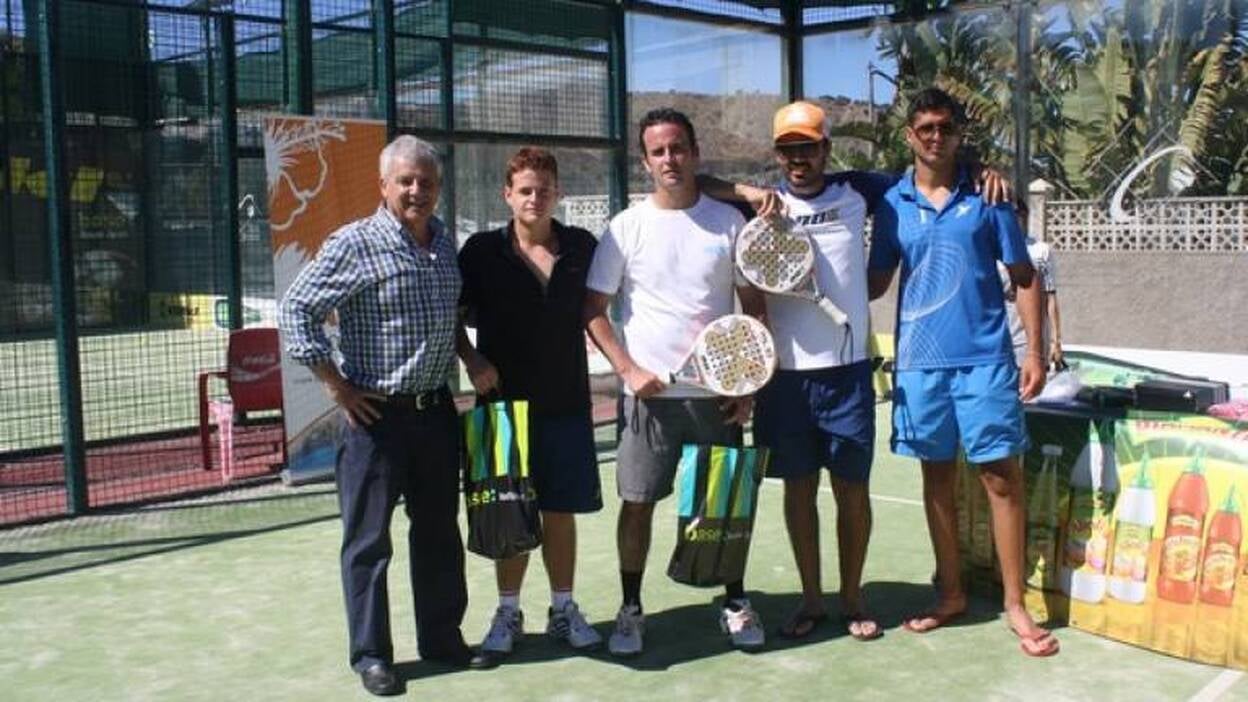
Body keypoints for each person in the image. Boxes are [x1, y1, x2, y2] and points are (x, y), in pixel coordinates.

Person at [699, 101, 1012, 642]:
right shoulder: (759, 205)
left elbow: (933, 164)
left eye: (809, 146)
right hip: (784, 378)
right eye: (789, 149)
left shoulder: (861, 191)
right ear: (778, 154)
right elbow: (699, 183)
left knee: (851, 492)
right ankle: (812, 600)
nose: (799, 158)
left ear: (826, 149)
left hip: (847, 375)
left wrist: (982, 170)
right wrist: (749, 193)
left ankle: (851, 598)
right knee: (799, 492)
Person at [279, 135, 481, 697]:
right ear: (384, 185)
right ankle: (372, 656)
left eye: (427, 182)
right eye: (407, 181)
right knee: (368, 542)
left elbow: (450, 317)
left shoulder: (444, 243)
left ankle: (442, 638)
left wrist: (469, 357)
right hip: (376, 420)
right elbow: (297, 308)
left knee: (439, 532)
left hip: (436, 414)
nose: (418, 190)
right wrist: (336, 387)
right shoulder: (354, 243)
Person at [867, 88, 1060, 657]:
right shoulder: (892, 203)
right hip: (920, 368)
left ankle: (1015, 604)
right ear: (909, 134)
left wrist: (1034, 352)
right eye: (924, 127)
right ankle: (949, 594)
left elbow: (1025, 276)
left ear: (957, 135)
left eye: (944, 128)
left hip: (985, 363)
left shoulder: (989, 194)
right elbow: (876, 281)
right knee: (937, 484)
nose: (934, 136)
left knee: (1001, 481)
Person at [584, 107, 767, 656]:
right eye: (658, 151)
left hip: (716, 398)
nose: (670, 159)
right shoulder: (625, 228)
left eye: (678, 148)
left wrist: (747, 383)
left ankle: (734, 602)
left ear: (695, 153)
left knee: (724, 506)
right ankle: (631, 609)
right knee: (637, 503)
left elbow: (754, 308)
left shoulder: (728, 223)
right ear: (646, 161)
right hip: (650, 401)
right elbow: (593, 309)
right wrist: (629, 370)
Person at [456, 147, 605, 660]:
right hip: (500, 411)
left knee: (560, 513)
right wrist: (471, 358)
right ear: (507, 194)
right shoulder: (479, 251)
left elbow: (603, 307)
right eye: (525, 189)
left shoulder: (583, 246)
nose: (534, 198)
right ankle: (508, 610)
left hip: (565, 404)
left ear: (556, 193)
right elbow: (449, 314)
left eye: (543, 189)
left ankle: (563, 608)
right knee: (508, 518)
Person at [998, 199, 1064, 370]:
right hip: (999, 339)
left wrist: (1055, 341)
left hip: (1027, 342)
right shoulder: (992, 250)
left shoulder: (1040, 250)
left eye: (1016, 214)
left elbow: (1050, 297)